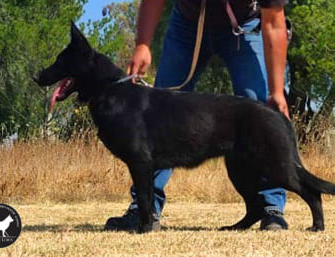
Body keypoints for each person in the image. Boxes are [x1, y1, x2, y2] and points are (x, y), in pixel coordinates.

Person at [104, 0, 290, 231]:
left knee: (259, 106)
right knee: (158, 114)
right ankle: (145, 209)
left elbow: (273, 21)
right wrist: (143, 44)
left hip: (245, 26)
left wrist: (276, 90)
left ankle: (271, 206)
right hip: (187, 25)